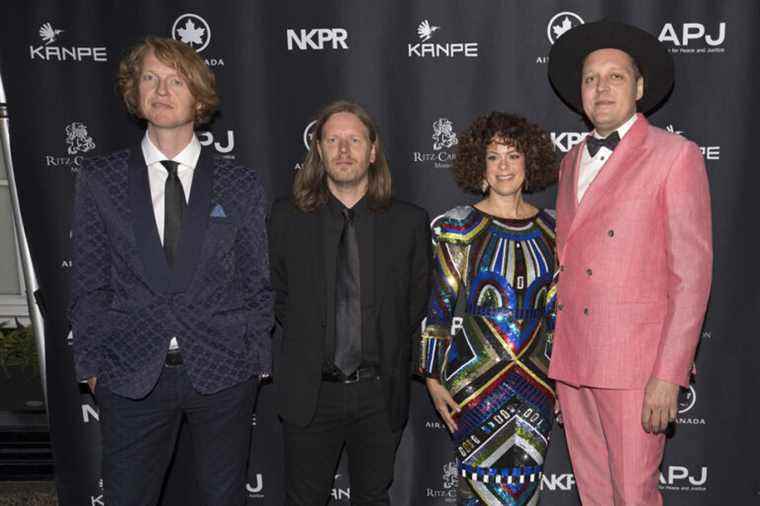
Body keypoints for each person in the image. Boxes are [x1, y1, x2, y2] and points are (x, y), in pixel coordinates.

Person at [69, 36, 272, 505]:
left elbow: (256, 282)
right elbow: (89, 283)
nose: (162, 90)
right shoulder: (101, 180)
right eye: (150, 78)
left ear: (199, 96)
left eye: (176, 80)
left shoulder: (240, 183)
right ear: (135, 95)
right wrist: (94, 367)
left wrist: (256, 358)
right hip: (129, 375)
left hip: (224, 372)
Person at [547, 20, 712, 505]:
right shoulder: (570, 160)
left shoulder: (675, 156)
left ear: (639, 88)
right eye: (591, 79)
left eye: (615, 77)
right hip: (575, 361)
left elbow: (692, 275)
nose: (601, 89)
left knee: (634, 495)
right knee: (594, 495)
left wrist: (669, 373)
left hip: (635, 367)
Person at [268, 100, 431, 505]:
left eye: (354, 140)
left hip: (379, 393)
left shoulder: (408, 223)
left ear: (372, 151)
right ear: (319, 150)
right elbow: (278, 295)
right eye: (333, 140)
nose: (344, 149)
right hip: (311, 393)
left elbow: (415, 303)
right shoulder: (286, 218)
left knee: (373, 498)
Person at [420, 112, 558, 504]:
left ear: (528, 163)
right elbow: (439, 307)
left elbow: (557, 313)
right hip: (475, 380)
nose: (503, 167)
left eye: (512, 156)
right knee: (479, 491)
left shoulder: (555, 229)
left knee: (524, 490)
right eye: (493, 157)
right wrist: (432, 377)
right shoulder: (457, 227)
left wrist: (565, 376)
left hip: (538, 379)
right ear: (479, 166)